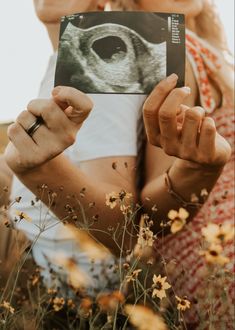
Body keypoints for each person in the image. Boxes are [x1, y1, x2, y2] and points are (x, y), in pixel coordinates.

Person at [1, 0, 233, 308]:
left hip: (69, 272)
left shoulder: (117, 60)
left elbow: (125, 228)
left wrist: (37, 169)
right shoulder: (207, 55)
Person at [112, 0, 234, 328]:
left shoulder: (209, 51)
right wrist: (197, 170)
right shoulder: (167, 53)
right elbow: (153, 209)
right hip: (213, 250)